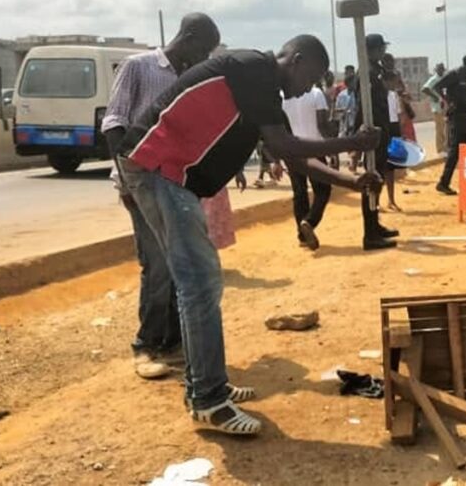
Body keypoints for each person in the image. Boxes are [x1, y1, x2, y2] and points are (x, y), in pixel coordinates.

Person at [118, 30, 381, 435]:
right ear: (295, 59)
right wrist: (354, 141)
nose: (311, 87)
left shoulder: (258, 90)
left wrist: (351, 182)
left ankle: (208, 386)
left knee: (199, 284)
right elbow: (287, 144)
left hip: (166, 175)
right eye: (312, 76)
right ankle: (208, 399)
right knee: (199, 285)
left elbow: (293, 159)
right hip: (158, 169)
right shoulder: (254, 69)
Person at [102, 12, 238, 381]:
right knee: (158, 266)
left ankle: (177, 344)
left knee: (184, 265)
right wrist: (129, 183)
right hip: (142, 183)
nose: (204, 59)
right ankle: (146, 345)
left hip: (178, 185)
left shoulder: (189, 78)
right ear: (188, 37)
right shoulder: (139, 67)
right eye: (204, 50)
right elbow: (114, 124)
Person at [352, 34, 402, 248]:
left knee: (377, 181)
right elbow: (363, 106)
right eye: (380, 48)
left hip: (381, 133)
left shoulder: (376, 71)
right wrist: (357, 138)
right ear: (371, 50)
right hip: (373, 135)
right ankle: (370, 234)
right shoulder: (367, 74)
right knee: (371, 182)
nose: (383, 52)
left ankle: (375, 226)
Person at [282, 82, 333, 250]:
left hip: (293, 150)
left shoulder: (282, 97)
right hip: (314, 148)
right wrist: (332, 148)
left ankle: (302, 235)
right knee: (323, 189)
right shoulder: (316, 93)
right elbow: (322, 124)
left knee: (299, 192)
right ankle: (309, 222)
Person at [435, 53, 466, 195]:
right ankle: (443, 183)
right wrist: (447, 101)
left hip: (464, 114)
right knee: (455, 150)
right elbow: (436, 87)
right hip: (456, 116)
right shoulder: (454, 74)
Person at [421, 63, 447, 156]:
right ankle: (440, 149)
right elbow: (424, 89)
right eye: (439, 69)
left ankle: (445, 147)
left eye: (442, 69)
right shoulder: (434, 79)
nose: (441, 70)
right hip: (437, 107)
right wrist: (434, 97)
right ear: (436, 70)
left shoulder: (443, 78)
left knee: (445, 129)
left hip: (444, 106)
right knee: (439, 129)